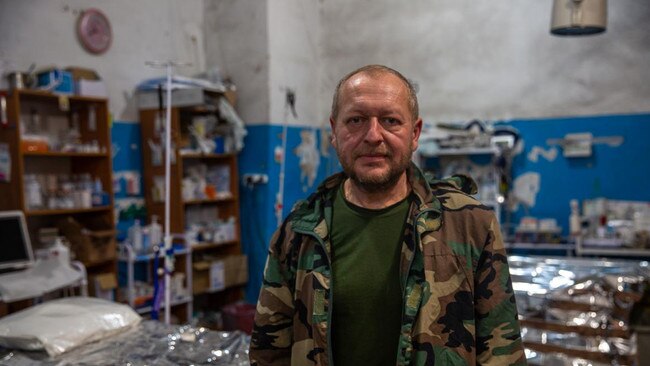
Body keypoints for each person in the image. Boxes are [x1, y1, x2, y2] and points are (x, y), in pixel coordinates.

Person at [250, 65, 525, 366]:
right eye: (355, 120)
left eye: (390, 121)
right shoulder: (299, 230)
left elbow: (502, 351)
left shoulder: (469, 223)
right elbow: (269, 350)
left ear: (415, 133)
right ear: (334, 131)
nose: (372, 135)